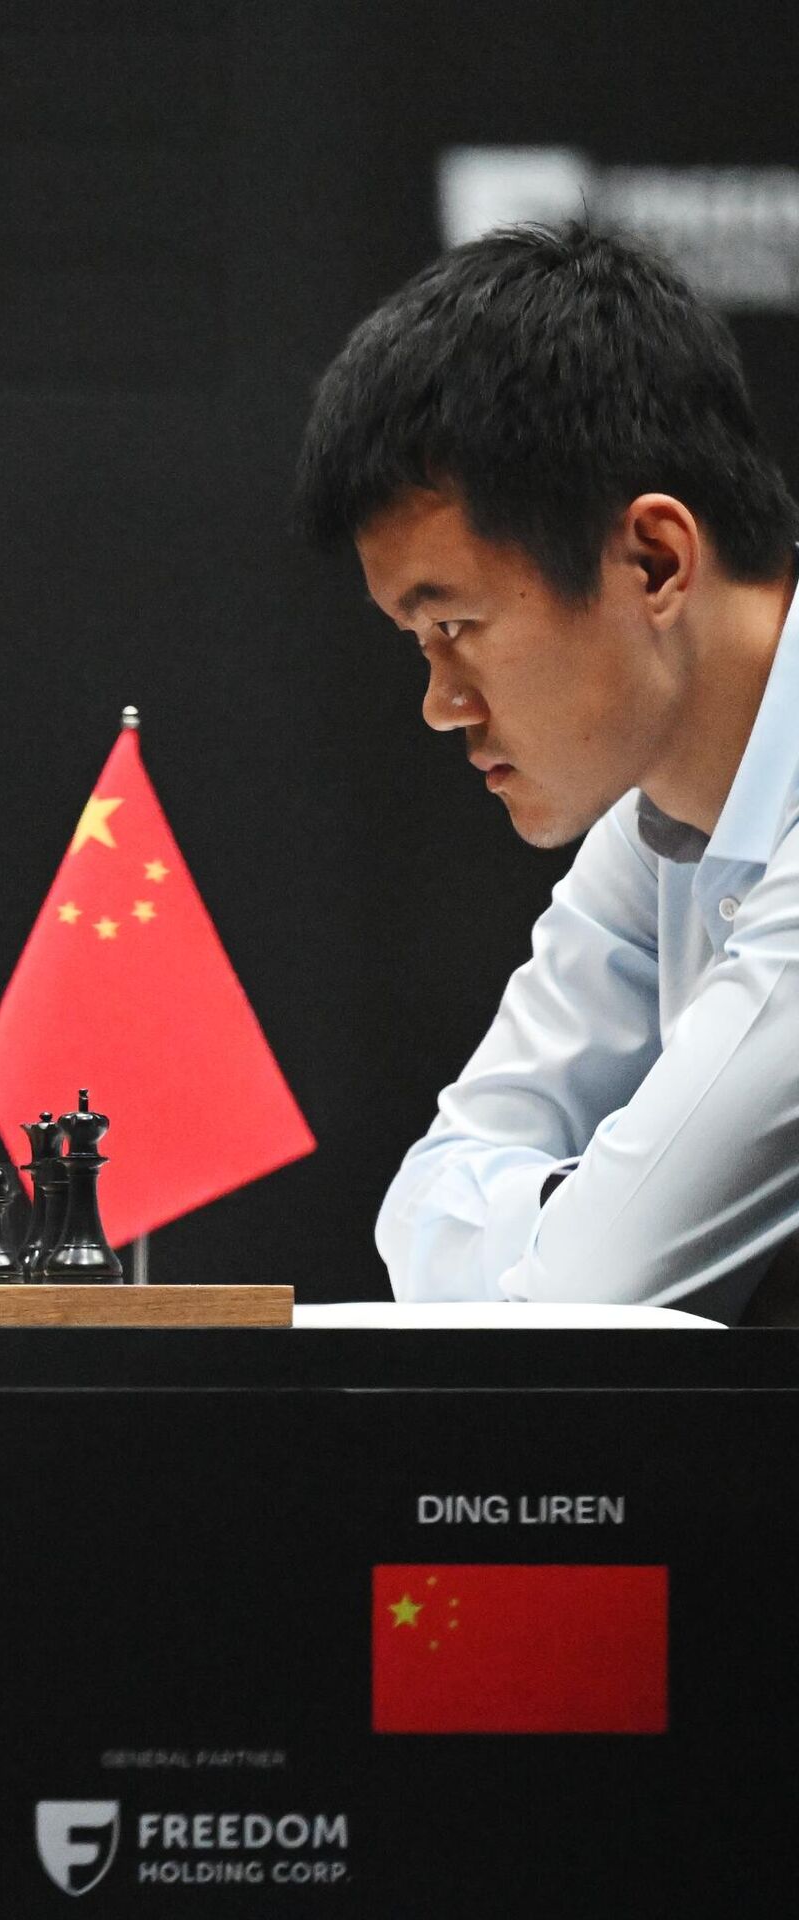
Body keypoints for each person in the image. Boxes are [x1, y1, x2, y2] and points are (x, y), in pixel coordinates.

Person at [296, 222, 799, 1321]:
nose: (441, 705)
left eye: (458, 626)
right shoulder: (658, 815)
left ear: (654, 560)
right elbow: (422, 1198)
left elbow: (592, 1296)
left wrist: (552, 1222)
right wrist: (580, 1205)